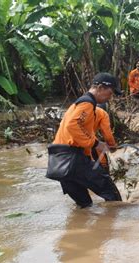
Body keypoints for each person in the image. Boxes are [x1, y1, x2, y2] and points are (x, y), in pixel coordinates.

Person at [47, 73, 123, 208]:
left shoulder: (79, 104)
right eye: (110, 93)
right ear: (100, 87)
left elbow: (75, 129)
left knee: (84, 205)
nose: (109, 98)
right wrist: (96, 144)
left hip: (59, 163)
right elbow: (72, 125)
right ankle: (113, 227)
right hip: (73, 160)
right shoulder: (87, 104)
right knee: (113, 196)